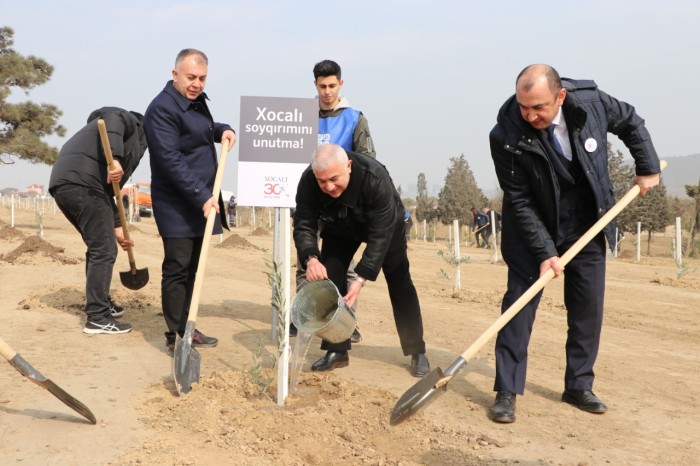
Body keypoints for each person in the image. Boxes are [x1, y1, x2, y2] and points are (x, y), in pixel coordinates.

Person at [487, 64, 661, 423]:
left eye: (540, 107)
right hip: (531, 226)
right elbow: (518, 199)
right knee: (519, 306)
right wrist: (545, 252)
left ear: (560, 96)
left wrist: (646, 166)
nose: (531, 115)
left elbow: (631, 121)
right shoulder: (505, 133)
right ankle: (507, 390)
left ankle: (579, 385)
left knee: (588, 307)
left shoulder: (591, 103)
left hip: (587, 219)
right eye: (524, 107)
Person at [293, 144, 430, 377]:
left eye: (334, 179)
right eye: (322, 181)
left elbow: (380, 235)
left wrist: (361, 278)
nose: (328, 187)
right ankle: (336, 351)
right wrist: (311, 258)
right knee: (331, 277)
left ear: (348, 166)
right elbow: (304, 223)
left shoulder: (375, 178)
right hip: (339, 227)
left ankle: (416, 350)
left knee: (400, 283)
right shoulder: (308, 181)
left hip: (385, 227)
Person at [144, 49, 237, 354]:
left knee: (194, 268)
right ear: (175, 75)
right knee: (177, 268)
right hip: (177, 204)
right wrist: (202, 196)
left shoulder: (194, 102)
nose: (197, 84)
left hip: (201, 200)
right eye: (191, 77)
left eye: (202, 78)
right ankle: (175, 336)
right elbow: (170, 160)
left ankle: (188, 327)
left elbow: (198, 132)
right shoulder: (161, 109)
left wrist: (221, 129)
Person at [293, 59, 377, 343]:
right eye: (321, 86)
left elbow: (367, 162)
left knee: (345, 265)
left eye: (331, 85)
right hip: (309, 201)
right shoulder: (302, 117)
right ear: (314, 85)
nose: (327, 91)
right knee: (306, 260)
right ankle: (304, 315)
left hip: (341, 206)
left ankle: (347, 321)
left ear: (340, 84)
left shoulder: (355, 118)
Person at [49, 107, 147, 334]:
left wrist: (117, 227)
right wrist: (117, 159)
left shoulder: (95, 143)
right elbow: (112, 117)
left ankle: (101, 304)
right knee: (103, 250)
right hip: (83, 185)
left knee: (98, 247)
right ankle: (97, 317)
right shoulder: (128, 121)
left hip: (70, 184)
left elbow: (106, 190)